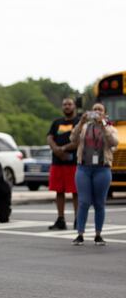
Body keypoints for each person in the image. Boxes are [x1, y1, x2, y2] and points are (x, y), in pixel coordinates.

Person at [68, 103, 118, 246]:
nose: (96, 112)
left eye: (99, 110)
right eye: (94, 109)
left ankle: (98, 235)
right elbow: (72, 139)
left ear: (104, 113)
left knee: (99, 203)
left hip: (102, 169)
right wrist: (81, 121)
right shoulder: (84, 127)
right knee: (83, 202)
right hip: (84, 168)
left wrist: (103, 126)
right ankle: (80, 234)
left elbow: (114, 142)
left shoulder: (110, 127)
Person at [47, 98, 80, 230]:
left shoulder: (79, 122)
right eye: (64, 104)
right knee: (59, 191)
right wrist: (56, 149)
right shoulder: (57, 122)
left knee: (75, 192)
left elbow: (79, 141)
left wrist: (63, 148)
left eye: (69, 104)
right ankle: (61, 219)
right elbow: (49, 137)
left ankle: (78, 219)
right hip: (57, 163)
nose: (67, 106)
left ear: (74, 106)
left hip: (73, 163)